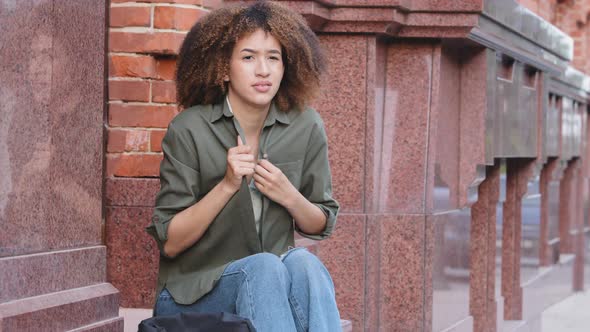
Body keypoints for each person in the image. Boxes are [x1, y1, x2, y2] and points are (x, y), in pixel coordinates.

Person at [146, 2, 341, 331]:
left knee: (304, 263)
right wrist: (226, 186)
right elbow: (171, 242)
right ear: (224, 68)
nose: (263, 70)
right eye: (249, 57)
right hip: (190, 297)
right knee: (264, 268)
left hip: (273, 288)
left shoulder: (305, 125)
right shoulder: (190, 129)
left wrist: (289, 195)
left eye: (273, 58)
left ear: (286, 66)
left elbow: (321, 222)